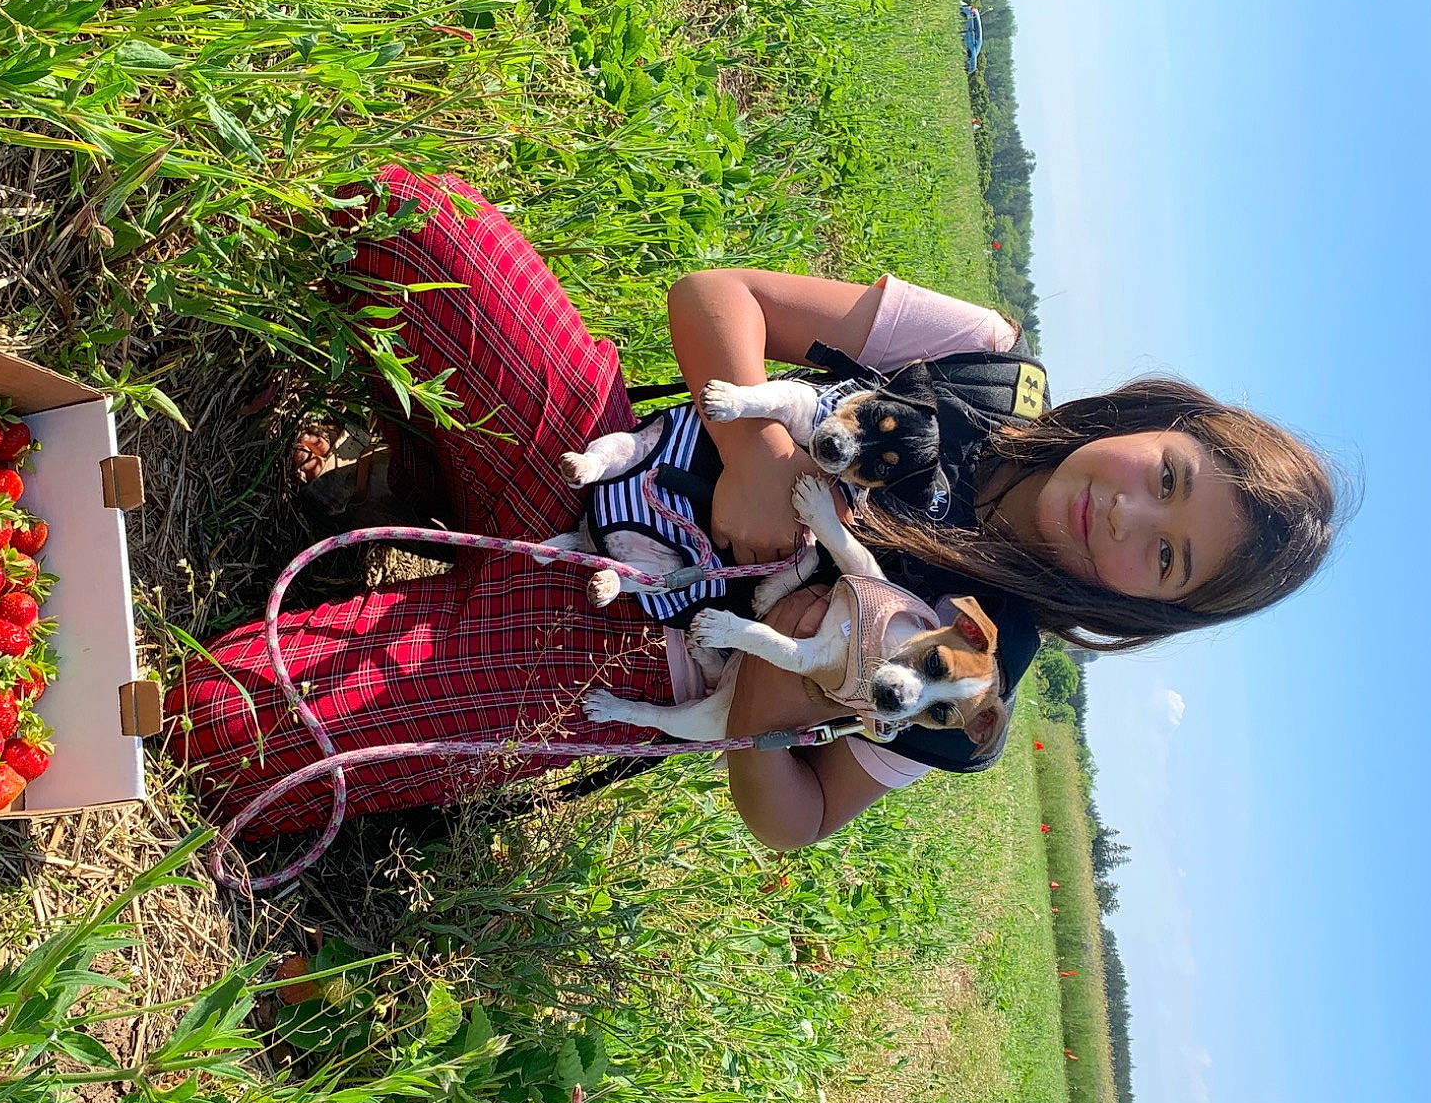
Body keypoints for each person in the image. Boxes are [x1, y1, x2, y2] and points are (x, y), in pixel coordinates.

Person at [164, 169, 1344, 851]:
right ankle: (428, 486)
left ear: (1152, 611)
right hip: (608, 459)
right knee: (407, 217)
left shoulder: (979, 674)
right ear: (1162, 423)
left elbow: (796, 820)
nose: (1130, 518)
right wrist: (754, 451)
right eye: (1170, 480)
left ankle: (420, 595)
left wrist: (789, 679)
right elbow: (714, 297)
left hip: (608, 655)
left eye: (1168, 559)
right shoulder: (982, 359)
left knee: (216, 733)